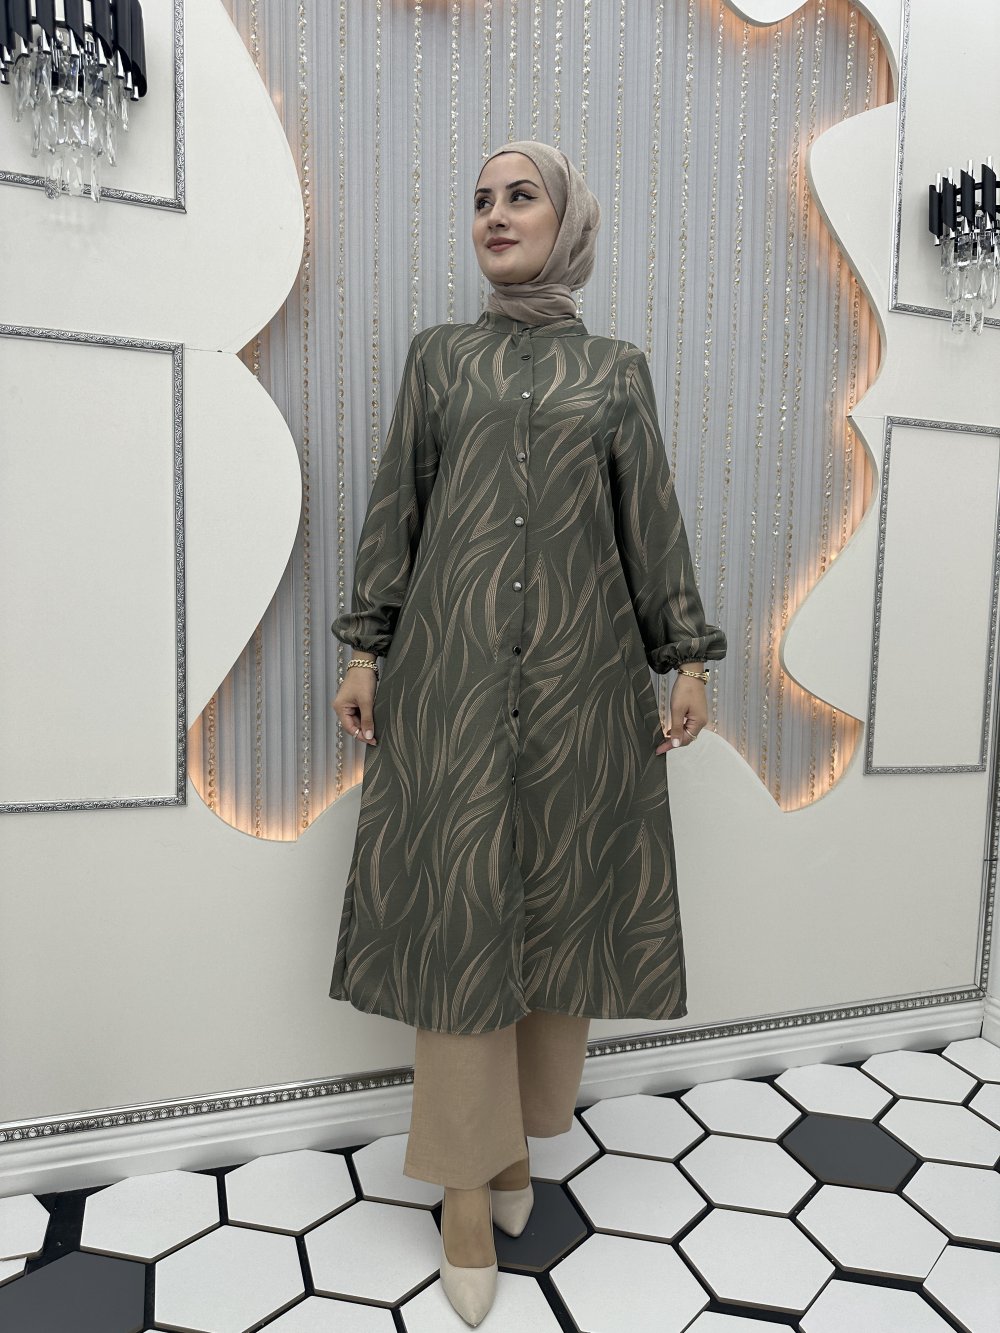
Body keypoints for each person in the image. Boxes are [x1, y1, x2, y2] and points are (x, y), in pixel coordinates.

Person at [330, 139, 726, 1326]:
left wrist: (687, 656)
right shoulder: (439, 359)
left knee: (556, 911)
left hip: (580, 685)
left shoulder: (614, 372)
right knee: (462, 920)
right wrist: (365, 648)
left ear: (569, 221)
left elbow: (649, 521)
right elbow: (397, 505)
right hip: (449, 683)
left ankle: (509, 1147)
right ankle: (464, 1188)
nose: (495, 215)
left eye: (521, 196)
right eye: (480, 200)